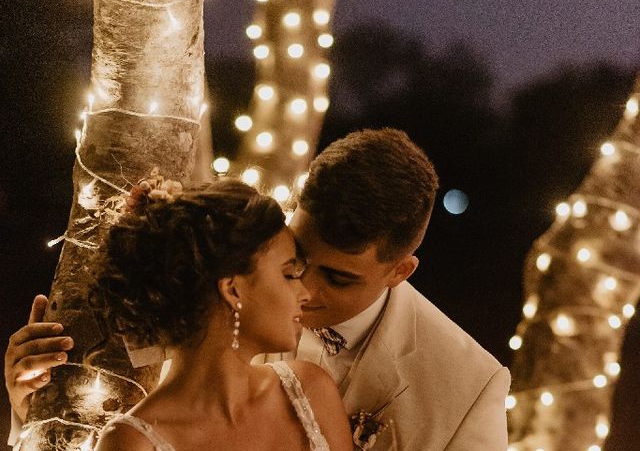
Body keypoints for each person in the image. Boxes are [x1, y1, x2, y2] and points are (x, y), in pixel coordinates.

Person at [6, 128, 510, 450]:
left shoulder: (470, 385)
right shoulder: (215, 306)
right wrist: (39, 406)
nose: (305, 291)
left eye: (337, 277)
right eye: (296, 263)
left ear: (400, 271)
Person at [7, 179, 353, 451]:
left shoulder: (310, 391)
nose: (305, 292)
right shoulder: (131, 444)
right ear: (233, 290)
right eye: (289, 274)